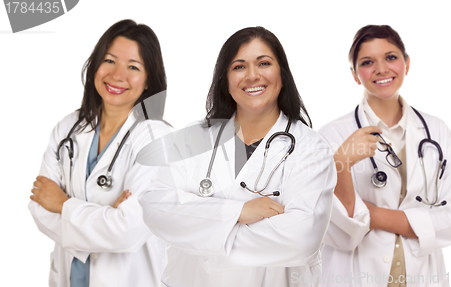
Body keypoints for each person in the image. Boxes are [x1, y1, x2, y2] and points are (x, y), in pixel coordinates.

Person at [138, 26, 336, 287]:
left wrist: (200, 232)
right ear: (226, 79)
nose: (252, 75)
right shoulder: (193, 137)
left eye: (263, 63)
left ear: (282, 74)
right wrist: (238, 212)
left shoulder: (311, 148)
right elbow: (155, 206)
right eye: (239, 66)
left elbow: (301, 238)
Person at [318, 25, 451, 287]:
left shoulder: (438, 132)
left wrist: (373, 216)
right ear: (354, 75)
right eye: (367, 62)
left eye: (391, 57)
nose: (382, 69)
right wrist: (341, 162)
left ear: (406, 64)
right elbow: (336, 232)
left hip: (424, 276)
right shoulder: (331, 136)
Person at [28, 19, 171, 287]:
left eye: (133, 67)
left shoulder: (155, 139)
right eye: (109, 61)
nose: (118, 75)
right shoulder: (67, 129)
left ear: (149, 79)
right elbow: (39, 207)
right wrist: (106, 217)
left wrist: (63, 205)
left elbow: (128, 231)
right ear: (95, 64)